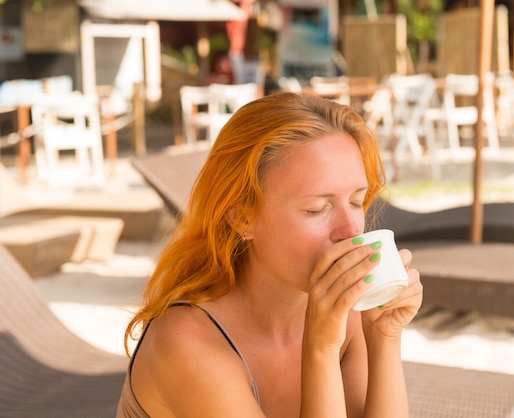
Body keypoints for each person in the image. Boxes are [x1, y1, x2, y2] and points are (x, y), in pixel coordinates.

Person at [117, 92, 423, 417]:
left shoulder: (342, 314)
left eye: (355, 201)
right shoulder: (187, 344)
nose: (350, 231)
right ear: (242, 217)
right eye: (316, 208)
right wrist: (320, 350)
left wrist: (383, 338)